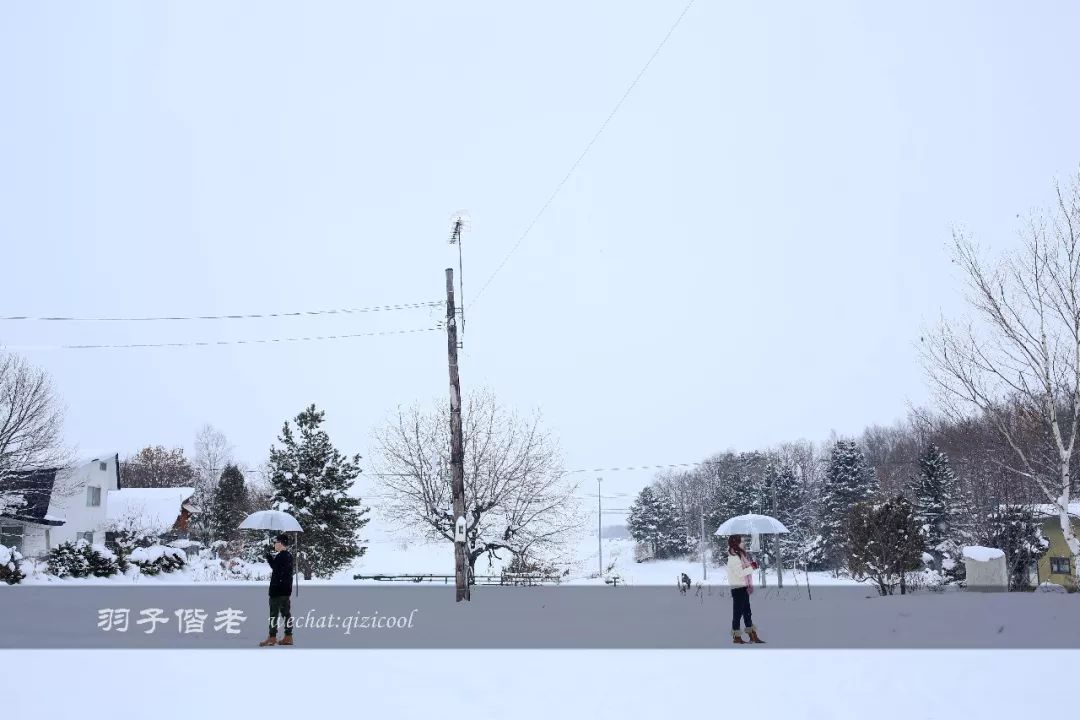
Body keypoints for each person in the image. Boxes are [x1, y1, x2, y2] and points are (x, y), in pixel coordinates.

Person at [726, 534, 764, 644]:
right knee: (737, 613)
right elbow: (739, 573)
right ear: (736, 543)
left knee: (747, 612)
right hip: (738, 587)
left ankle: (752, 634)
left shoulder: (741, 555)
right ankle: (736, 637)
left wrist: (751, 565)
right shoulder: (733, 557)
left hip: (743, 587)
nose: (744, 543)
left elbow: (743, 569)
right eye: (741, 542)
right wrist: (751, 568)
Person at [259, 533, 295, 647]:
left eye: (276, 542)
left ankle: (272, 637)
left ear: (281, 543)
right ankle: (288, 636)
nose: (275, 544)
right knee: (286, 614)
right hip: (286, 591)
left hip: (277, 591)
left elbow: (275, 567)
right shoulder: (288, 556)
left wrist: (268, 556)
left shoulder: (281, 556)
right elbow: (280, 569)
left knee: (274, 614)